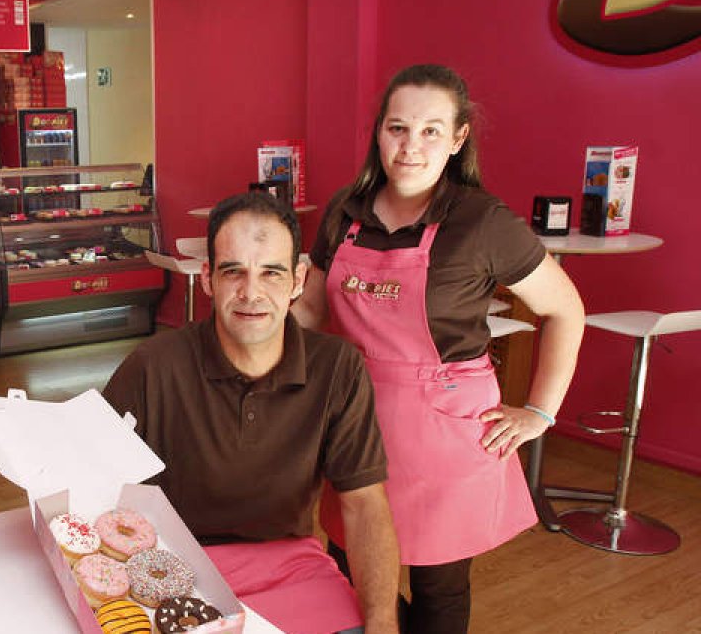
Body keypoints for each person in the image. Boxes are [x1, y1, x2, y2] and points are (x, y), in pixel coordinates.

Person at [293, 64, 585, 633]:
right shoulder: (344, 212)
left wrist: (540, 411)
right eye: (398, 127)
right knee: (349, 566)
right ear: (378, 132)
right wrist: (266, 296)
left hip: (444, 430)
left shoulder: (481, 222)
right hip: (352, 416)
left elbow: (565, 308)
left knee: (438, 583)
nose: (410, 145)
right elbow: (312, 313)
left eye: (431, 130)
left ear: (458, 139)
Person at [104, 192, 400, 634]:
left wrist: (381, 623)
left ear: (299, 280)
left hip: (293, 568)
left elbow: (364, 505)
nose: (251, 293)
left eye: (272, 273)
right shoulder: (152, 366)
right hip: (173, 571)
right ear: (207, 278)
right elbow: (95, 488)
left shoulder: (338, 367)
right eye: (233, 271)